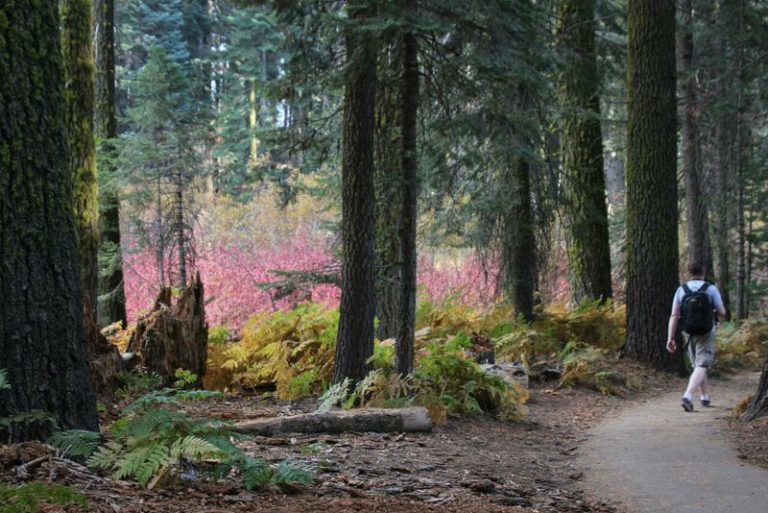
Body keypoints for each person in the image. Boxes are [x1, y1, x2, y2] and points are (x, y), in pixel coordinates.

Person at [666, 262, 726, 412]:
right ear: (703, 272)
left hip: (688, 332)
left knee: (698, 365)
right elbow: (722, 311)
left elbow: (674, 315)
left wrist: (670, 338)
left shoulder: (681, 290)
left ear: (689, 273)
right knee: (702, 365)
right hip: (707, 331)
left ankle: (705, 396)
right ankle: (687, 396)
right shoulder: (711, 289)